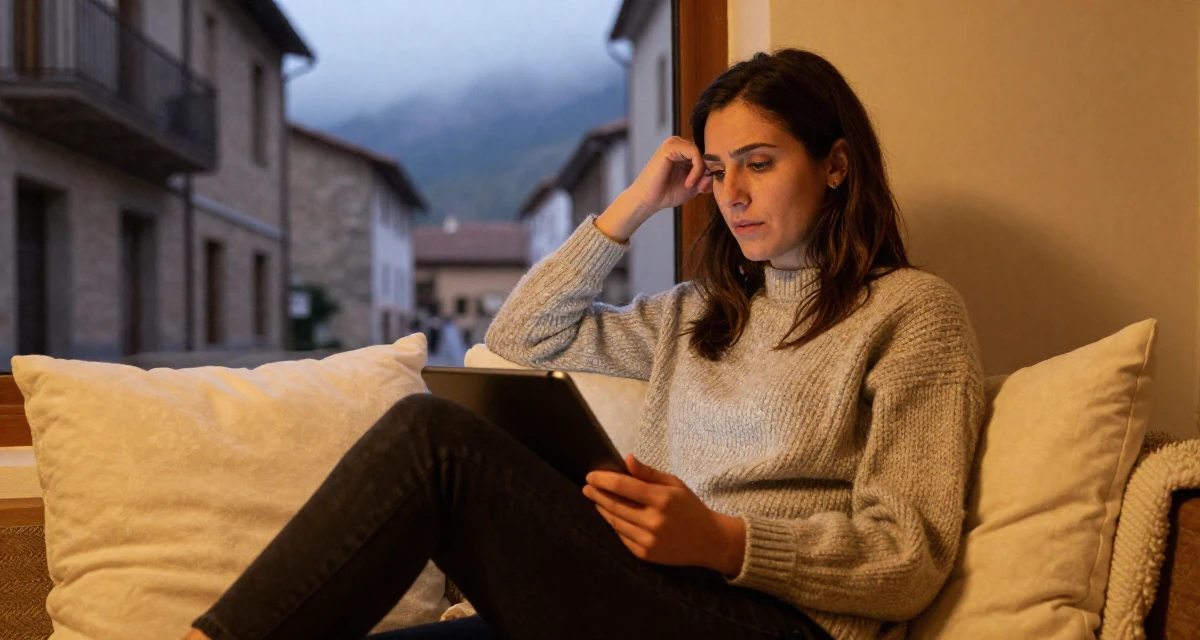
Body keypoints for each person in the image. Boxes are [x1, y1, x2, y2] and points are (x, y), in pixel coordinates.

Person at [185, 48, 985, 640]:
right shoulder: (698, 315)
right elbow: (522, 338)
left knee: (434, 443)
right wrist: (630, 210)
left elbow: (908, 556)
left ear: (836, 165)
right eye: (717, 169)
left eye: (760, 164)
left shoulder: (912, 314)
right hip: (644, 596)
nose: (732, 194)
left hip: (777, 624)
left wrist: (723, 541)